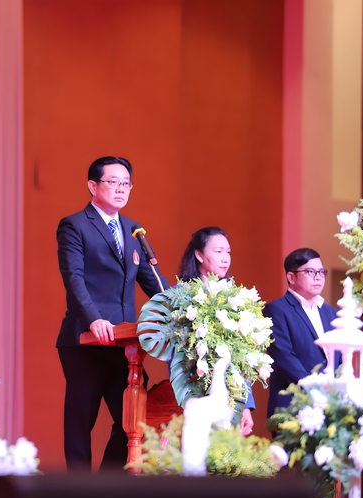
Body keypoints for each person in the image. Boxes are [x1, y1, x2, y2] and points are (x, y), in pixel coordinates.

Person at [56, 156, 168, 471]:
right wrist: (93, 318)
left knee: (134, 420)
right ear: (93, 186)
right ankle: (79, 493)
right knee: (81, 421)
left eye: (126, 183)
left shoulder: (133, 230)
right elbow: (74, 278)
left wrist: (187, 307)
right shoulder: (75, 225)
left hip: (125, 344)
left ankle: (106, 486)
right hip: (86, 339)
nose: (121, 189)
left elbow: (154, 283)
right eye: (113, 182)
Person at [264, 248, 337, 498]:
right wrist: (315, 388)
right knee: (292, 487)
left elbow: (339, 358)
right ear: (291, 277)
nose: (318, 277)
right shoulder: (276, 310)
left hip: (326, 411)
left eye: (321, 272)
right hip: (292, 410)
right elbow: (284, 357)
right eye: (310, 272)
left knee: (319, 486)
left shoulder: (331, 313)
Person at [177, 226, 254, 435]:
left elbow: (242, 357)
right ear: (199, 255)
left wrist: (246, 405)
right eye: (218, 251)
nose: (225, 258)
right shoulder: (181, 296)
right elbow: (177, 358)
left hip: (231, 399)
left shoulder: (234, 299)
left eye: (228, 252)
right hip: (194, 395)